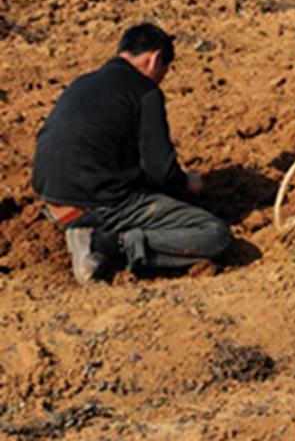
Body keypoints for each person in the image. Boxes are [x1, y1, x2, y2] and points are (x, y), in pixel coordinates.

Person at [32, 23, 232, 284]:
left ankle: (84, 229)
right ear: (156, 58)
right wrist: (187, 183)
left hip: (53, 198)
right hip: (97, 203)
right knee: (214, 234)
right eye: (164, 70)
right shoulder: (144, 91)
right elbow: (160, 171)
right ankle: (109, 244)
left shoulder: (84, 82)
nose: (161, 78)